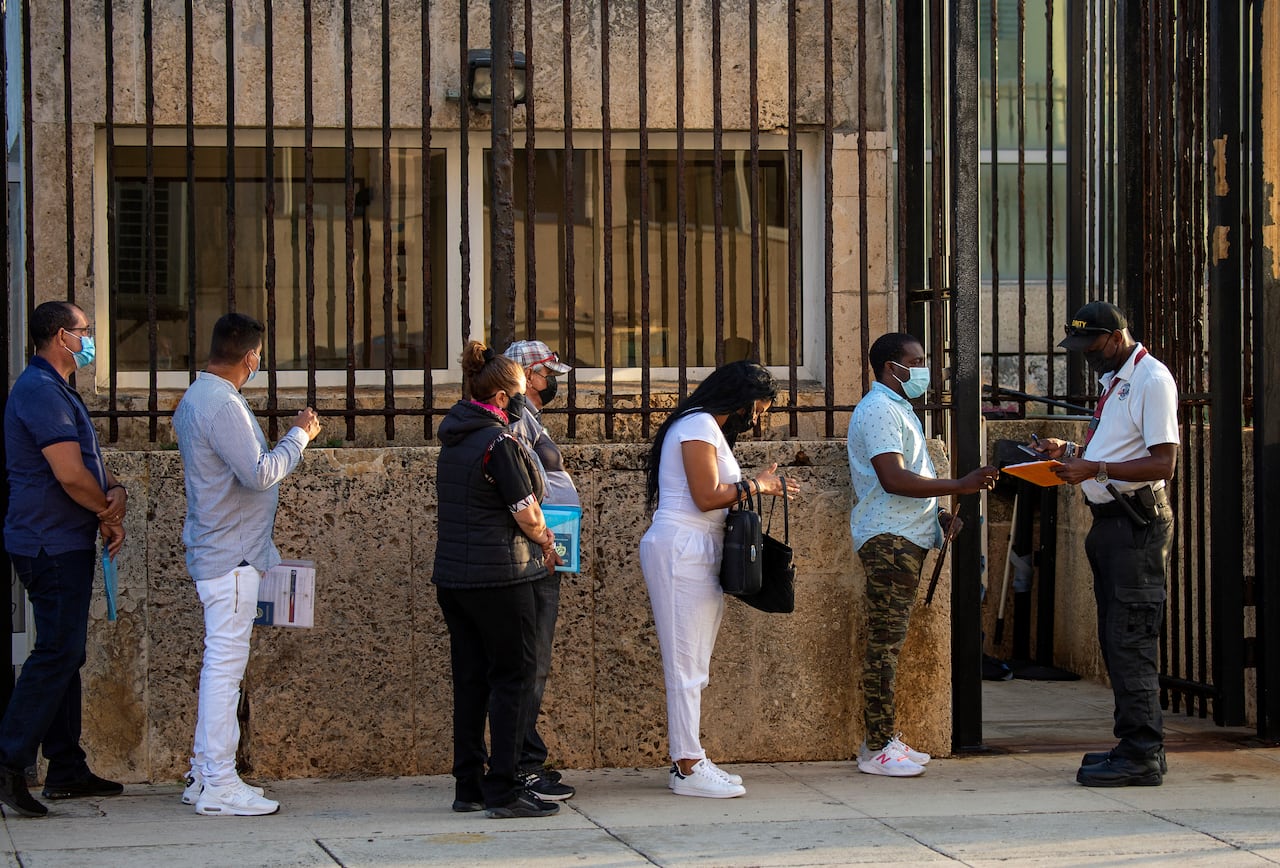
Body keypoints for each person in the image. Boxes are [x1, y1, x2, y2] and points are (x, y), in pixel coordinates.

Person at [174, 313, 322, 816]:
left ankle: (204, 775)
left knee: (219, 669)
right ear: (252, 357)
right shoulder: (222, 404)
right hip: (231, 556)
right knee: (224, 671)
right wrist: (299, 436)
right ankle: (218, 781)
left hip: (219, 551)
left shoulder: (197, 397)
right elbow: (260, 474)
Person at [640, 360, 799, 799]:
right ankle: (687, 766)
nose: (757, 419)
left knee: (695, 663)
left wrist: (756, 487)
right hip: (682, 548)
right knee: (685, 663)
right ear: (742, 398)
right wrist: (758, 486)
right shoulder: (697, 425)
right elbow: (706, 496)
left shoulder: (706, 428)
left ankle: (690, 757)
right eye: (759, 409)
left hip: (698, 547)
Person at [1035, 301, 1177, 788]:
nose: (1086, 354)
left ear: (1116, 337)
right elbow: (1117, 450)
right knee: (1117, 639)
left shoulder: (1152, 380)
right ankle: (1135, 745)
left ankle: (1142, 753)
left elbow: (1162, 463)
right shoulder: (1114, 380)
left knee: (1131, 639)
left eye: (1091, 345)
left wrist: (1093, 468)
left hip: (1136, 525)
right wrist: (1071, 453)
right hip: (1111, 526)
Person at [847, 332, 999, 777]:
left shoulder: (897, 409)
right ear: (891, 367)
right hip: (890, 542)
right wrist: (960, 485)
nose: (923, 370)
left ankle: (880, 740)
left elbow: (908, 477)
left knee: (890, 644)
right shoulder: (879, 409)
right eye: (915, 362)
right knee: (884, 646)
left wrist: (940, 515)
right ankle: (878, 748)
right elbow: (893, 479)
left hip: (906, 537)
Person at [0, 301, 128, 818]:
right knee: (57, 651)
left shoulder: (58, 389)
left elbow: (89, 464)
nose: (90, 339)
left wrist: (115, 490)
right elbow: (70, 474)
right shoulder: (39, 390)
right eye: (84, 331)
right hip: (49, 543)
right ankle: (9, 759)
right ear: (60, 336)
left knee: (65, 653)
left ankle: (66, 767)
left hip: (63, 540)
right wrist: (106, 512)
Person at [433, 341, 563, 819]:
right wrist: (547, 541)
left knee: (470, 680)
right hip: (502, 579)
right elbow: (526, 512)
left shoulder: (454, 439)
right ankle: (504, 789)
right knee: (513, 678)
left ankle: (468, 784)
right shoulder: (499, 444)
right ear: (504, 398)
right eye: (521, 394)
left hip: (455, 579)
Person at [502, 339, 577, 802]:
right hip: (535, 553)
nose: (552, 383)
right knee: (530, 662)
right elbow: (521, 490)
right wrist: (546, 541)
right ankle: (521, 765)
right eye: (548, 375)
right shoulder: (515, 420)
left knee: (534, 662)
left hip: (545, 548)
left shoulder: (528, 417)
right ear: (528, 376)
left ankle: (525, 757)